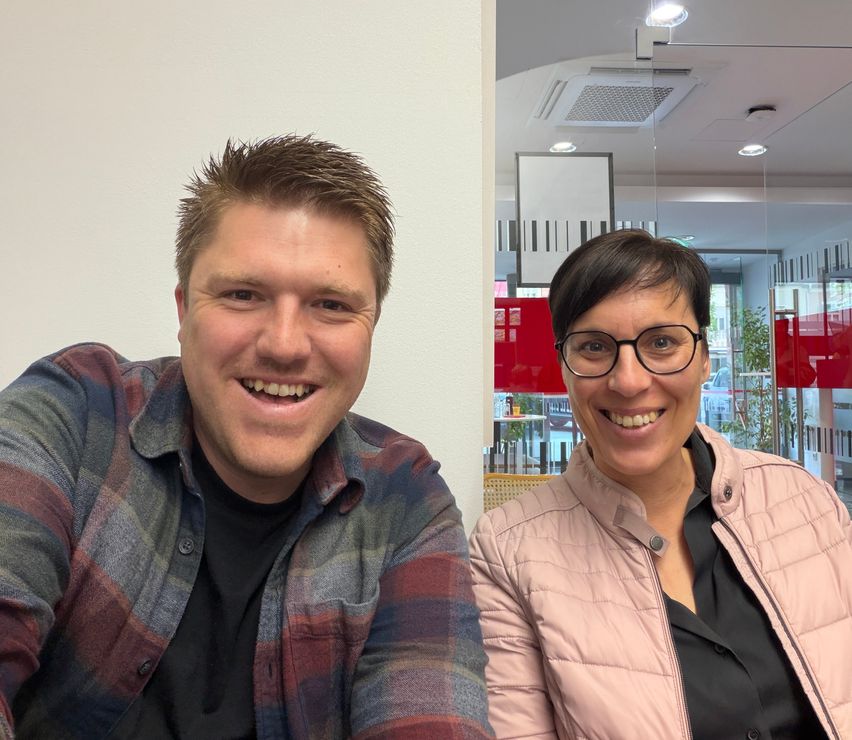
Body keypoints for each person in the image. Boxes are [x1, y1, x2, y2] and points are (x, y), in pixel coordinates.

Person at [0, 135, 491, 740]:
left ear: (371, 329)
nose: (284, 344)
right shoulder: (74, 416)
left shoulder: (405, 502)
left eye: (331, 305)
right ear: (184, 311)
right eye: (242, 295)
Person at [469, 229, 852, 740]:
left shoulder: (802, 500)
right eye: (594, 347)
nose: (628, 381)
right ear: (565, 368)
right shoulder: (508, 552)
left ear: (704, 358)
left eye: (662, 342)